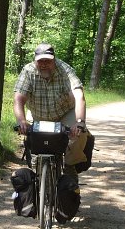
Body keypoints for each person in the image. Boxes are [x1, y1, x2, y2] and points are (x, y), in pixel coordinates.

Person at [13, 43, 88, 175]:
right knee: (36, 146)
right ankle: (39, 171)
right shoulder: (28, 71)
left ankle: (70, 165)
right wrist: (21, 121)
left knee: (80, 133)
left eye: (47, 61)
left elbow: (79, 96)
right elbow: (19, 99)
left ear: (54, 60)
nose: (44, 64)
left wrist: (80, 121)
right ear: (35, 60)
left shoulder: (65, 70)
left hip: (65, 113)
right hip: (38, 115)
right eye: (40, 61)